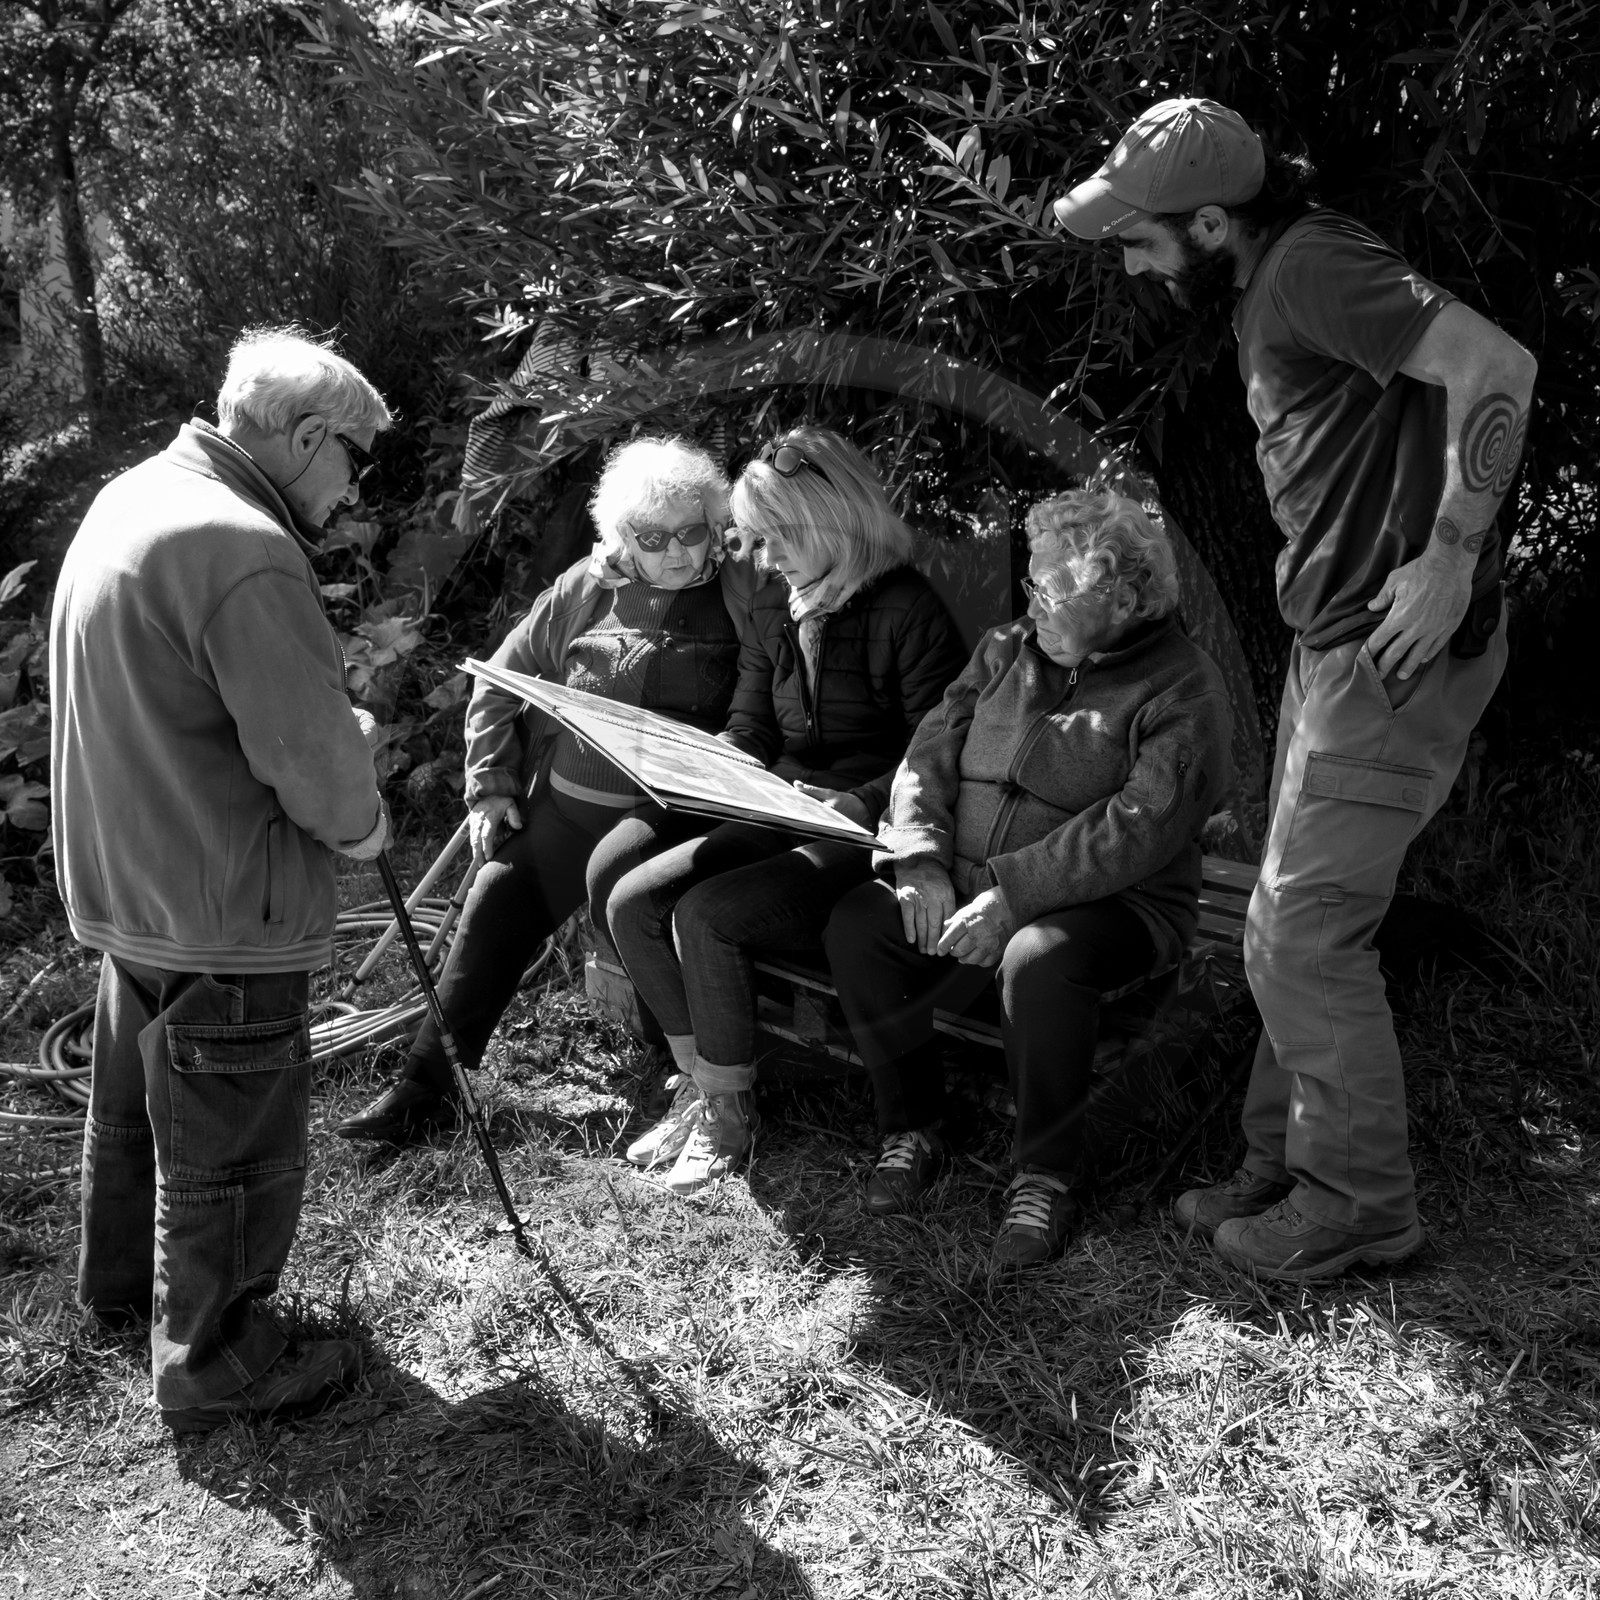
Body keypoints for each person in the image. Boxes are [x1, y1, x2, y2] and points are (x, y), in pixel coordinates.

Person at [1054, 98, 1537, 1279]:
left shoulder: (1314, 266)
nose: (1130, 262)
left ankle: (1357, 1203)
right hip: (1333, 646)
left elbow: (1496, 367)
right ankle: (1280, 1162)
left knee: (1302, 933)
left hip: (1389, 650)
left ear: (1210, 221)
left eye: (1138, 238)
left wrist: (1450, 558)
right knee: (1286, 919)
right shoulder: (1277, 276)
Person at [50, 327, 393, 1430]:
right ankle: (217, 1360)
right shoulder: (244, 545)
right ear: (308, 434)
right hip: (223, 899)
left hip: (134, 878)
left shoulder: (132, 496)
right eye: (354, 457)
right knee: (230, 1139)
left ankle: (121, 1293)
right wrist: (364, 811)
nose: (352, 488)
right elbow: (314, 771)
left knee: (138, 1113)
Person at [822, 490, 1232, 1265]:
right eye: (1031, 585)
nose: (1032, 604)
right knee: (860, 923)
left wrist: (1013, 897)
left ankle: (1045, 1176)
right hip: (964, 881)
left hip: (1121, 904)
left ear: (1122, 599)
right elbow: (928, 754)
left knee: (1038, 959)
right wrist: (919, 857)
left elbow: (1139, 825)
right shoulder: (1007, 648)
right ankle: (912, 1126)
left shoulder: (1184, 686)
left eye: (1051, 589)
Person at [336, 436, 759, 1145]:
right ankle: (424, 1088)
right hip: (567, 808)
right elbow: (499, 679)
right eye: (653, 538)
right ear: (622, 535)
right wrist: (491, 787)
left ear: (715, 526)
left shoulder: (742, 590)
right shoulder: (584, 588)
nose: (678, 553)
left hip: (668, 815)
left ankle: (688, 1079)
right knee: (496, 896)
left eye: (692, 533)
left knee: (623, 886)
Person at [602, 427, 967, 1196]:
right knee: (634, 900)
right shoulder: (779, 602)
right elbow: (753, 725)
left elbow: (938, 751)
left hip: (868, 828)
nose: (762, 560)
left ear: (827, 524)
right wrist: (710, 762)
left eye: (775, 540)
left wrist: (857, 799)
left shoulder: (909, 609)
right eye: (755, 541)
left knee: (708, 914)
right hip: (784, 810)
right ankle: (701, 1086)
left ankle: (729, 1116)